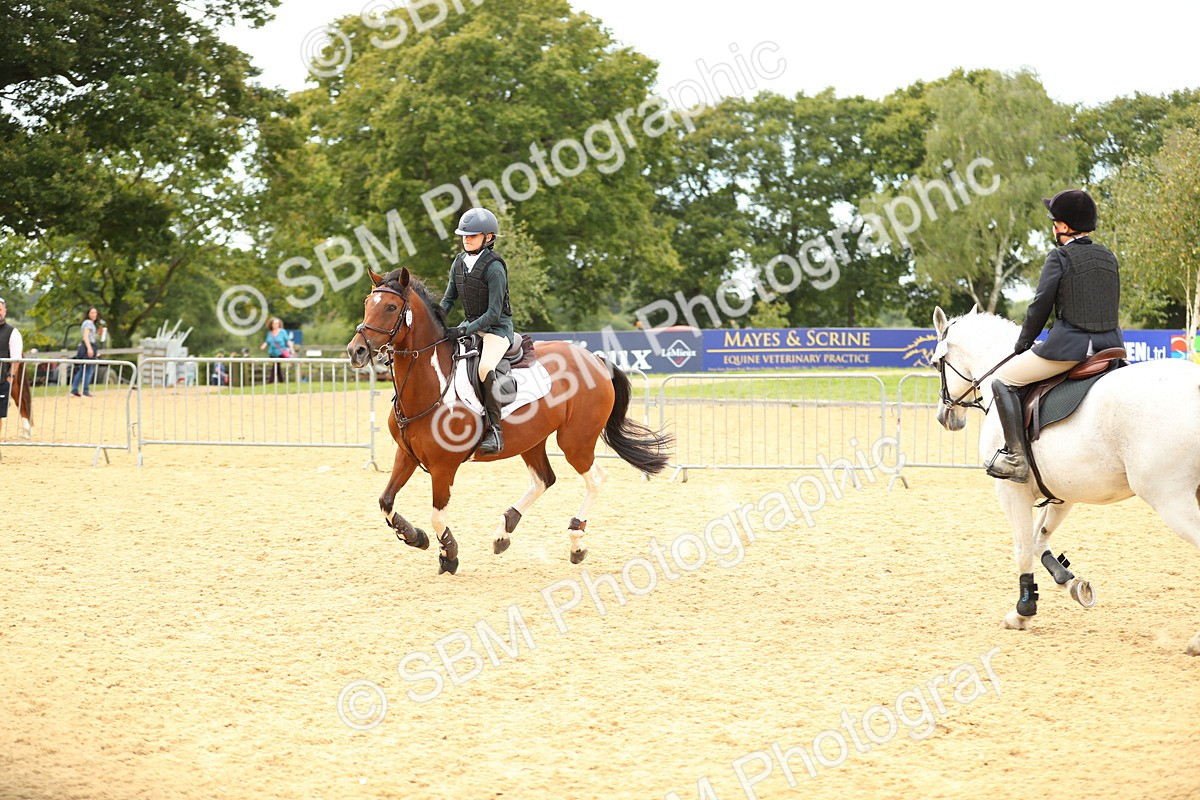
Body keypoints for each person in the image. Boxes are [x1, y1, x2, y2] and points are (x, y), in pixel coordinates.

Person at [985, 189, 1123, 482]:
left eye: (1054, 221)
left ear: (1062, 226)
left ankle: (1016, 458)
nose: (1052, 226)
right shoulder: (1109, 256)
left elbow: (1040, 306)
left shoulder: (1059, 257)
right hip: (1110, 347)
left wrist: (1024, 342)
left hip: (1071, 349)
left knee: (1004, 381)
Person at [437, 207, 515, 455]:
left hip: (496, 330)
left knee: (484, 368)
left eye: (472, 235)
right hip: (471, 327)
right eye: (464, 235)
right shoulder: (459, 262)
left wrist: (462, 330)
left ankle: (494, 430)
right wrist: (436, 322)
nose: (466, 239)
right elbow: (448, 300)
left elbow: (493, 313)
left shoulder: (494, 268)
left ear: (488, 238)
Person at [0, 296, 27, 437]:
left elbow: (16, 359)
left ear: (5, 311)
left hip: (2, 379)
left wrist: (10, 378)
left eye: (0, 309)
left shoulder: (12, 333)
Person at [70, 306, 100, 397]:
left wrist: (98, 334)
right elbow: (86, 336)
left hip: (86, 345)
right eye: (92, 313)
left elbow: (91, 337)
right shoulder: (88, 323)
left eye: (95, 313)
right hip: (88, 346)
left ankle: (74, 389)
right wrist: (89, 348)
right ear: (88, 314)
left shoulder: (89, 324)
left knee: (82, 369)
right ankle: (85, 390)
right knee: (88, 370)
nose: (94, 314)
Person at [259, 317, 291, 383]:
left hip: (280, 352)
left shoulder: (282, 331)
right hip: (272, 352)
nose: (276, 325)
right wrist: (263, 346)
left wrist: (291, 348)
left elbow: (287, 340)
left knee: (275, 366)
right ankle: (281, 381)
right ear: (271, 324)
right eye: (274, 324)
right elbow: (267, 341)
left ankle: (271, 381)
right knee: (277, 366)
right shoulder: (270, 333)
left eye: (277, 323)